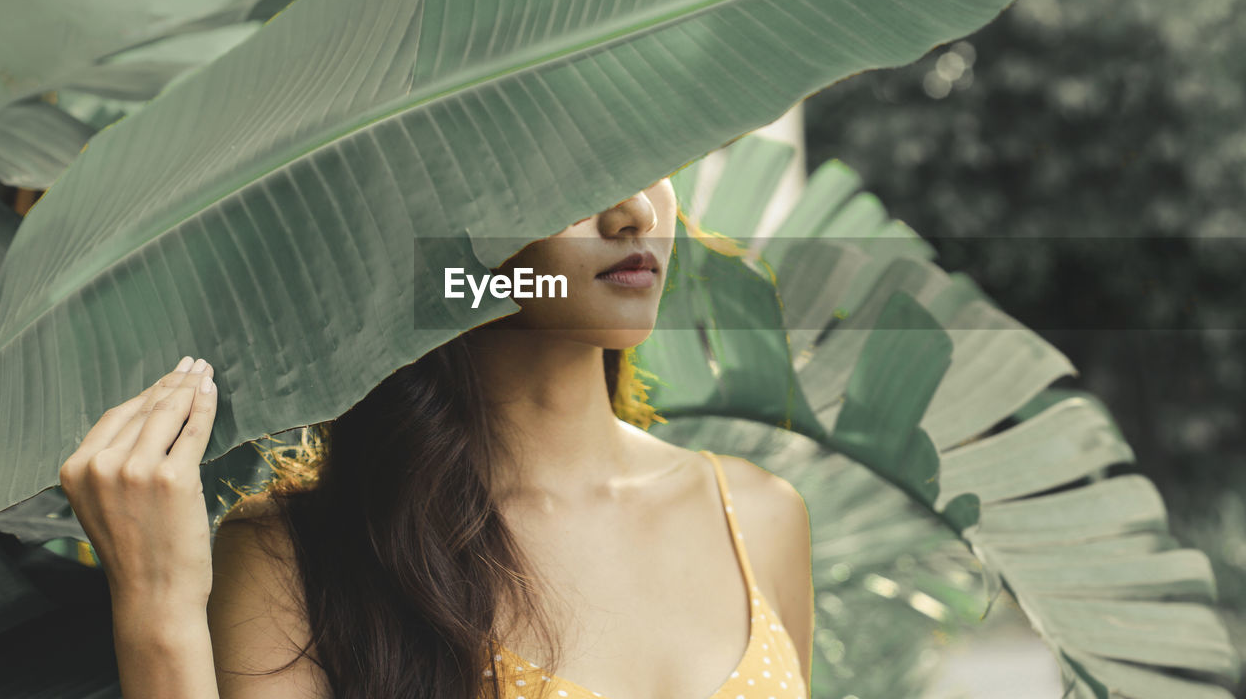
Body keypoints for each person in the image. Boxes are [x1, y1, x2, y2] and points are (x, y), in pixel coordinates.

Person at [59, 177, 815, 699]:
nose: (632, 212)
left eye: (653, 152)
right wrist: (157, 609)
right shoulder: (302, 558)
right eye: (571, 176)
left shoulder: (760, 516)